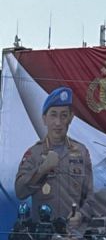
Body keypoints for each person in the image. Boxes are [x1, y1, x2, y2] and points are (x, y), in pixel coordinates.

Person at [14, 87, 94, 220]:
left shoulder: (81, 152)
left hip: (72, 234)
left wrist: (81, 214)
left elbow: (89, 198)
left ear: (71, 118)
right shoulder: (33, 153)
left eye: (64, 115)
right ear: (44, 119)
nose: (58, 122)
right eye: (53, 115)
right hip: (43, 235)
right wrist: (42, 170)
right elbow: (20, 192)